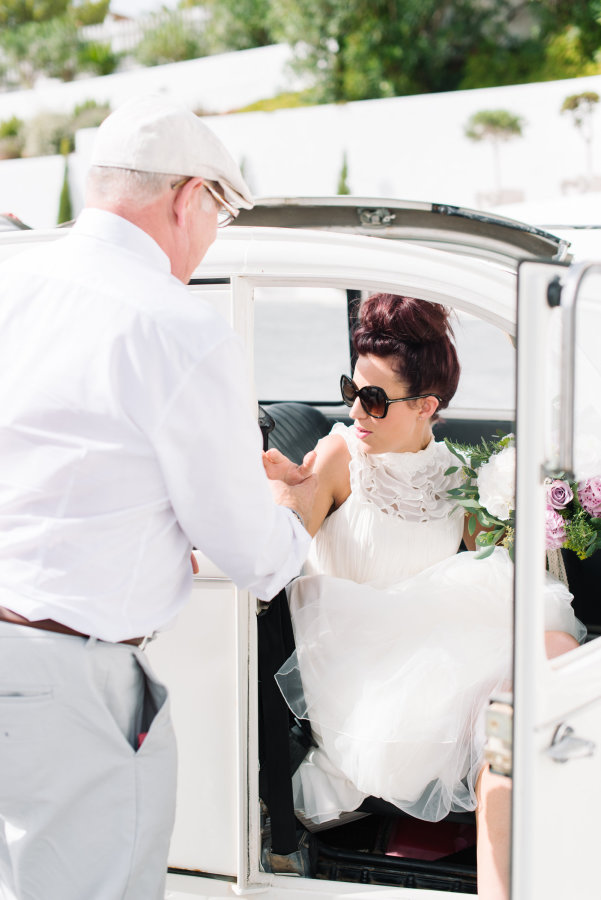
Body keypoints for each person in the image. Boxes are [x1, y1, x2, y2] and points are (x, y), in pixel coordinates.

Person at [0, 96, 316, 900]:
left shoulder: (13, 283)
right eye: (218, 213)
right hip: (72, 678)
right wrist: (299, 518)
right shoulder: (178, 326)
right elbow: (246, 547)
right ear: (187, 198)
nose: (211, 236)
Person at [268, 293, 584, 900]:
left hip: (444, 650)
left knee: (550, 664)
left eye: (375, 398)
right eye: (351, 388)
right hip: (373, 681)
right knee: (515, 734)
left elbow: (500, 567)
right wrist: (279, 494)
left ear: (427, 407)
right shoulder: (338, 455)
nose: (357, 410)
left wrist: (533, 512)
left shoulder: (457, 473)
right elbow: (277, 546)